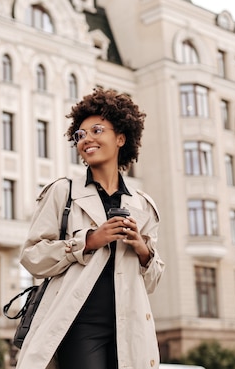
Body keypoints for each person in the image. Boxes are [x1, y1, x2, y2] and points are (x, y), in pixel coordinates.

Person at [16, 87, 165, 369]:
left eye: (97, 130)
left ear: (121, 138)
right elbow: (32, 257)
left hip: (130, 328)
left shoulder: (143, 205)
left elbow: (152, 282)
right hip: (78, 325)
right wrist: (88, 241)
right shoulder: (63, 192)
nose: (86, 139)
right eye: (80, 135)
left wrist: (142, 250)